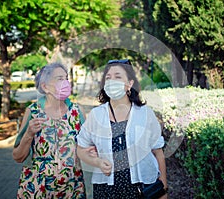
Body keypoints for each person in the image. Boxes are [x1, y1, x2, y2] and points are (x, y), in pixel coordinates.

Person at [76, 59, 168, 199]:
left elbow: (158, 152)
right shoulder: (96, 115)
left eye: (118, 77)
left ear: (129, 84)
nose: (112, 81)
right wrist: (97, 162)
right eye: (108, 78)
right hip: (106, 190)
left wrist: (164, 188)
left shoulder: (145, 113)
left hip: (142, 188)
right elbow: (81, 149)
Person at [13, 62, 87, 198]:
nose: (65, 83)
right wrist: (29, 134)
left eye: (66, 78)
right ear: (45, 87)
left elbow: (89, 150)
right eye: (60, 79)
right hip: (36, 187)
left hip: (72, 188)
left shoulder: (77, 112)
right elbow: (18, 157)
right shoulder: (33, 112)